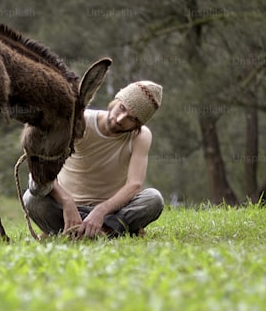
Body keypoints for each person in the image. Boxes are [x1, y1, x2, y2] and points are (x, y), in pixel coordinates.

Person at [23, 80, 164, 238]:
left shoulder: (141, 136)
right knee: (32, 198)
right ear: (116, 100)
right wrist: (66, 201)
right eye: (122, 108)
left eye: (131, 119)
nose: (120, 119)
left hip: (111, 211)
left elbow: (134, 185)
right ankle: (110, 231)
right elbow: (44, 169)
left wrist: (101, 210)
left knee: (153, 199)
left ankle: (86, 232)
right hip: (68, 209)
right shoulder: (80, 122)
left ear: (138, 124)